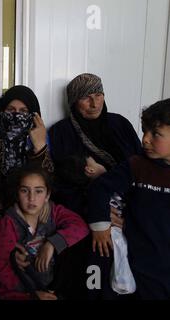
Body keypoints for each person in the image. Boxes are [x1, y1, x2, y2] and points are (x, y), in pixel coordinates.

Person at [48, 73, 142, 299]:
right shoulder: (61, 133)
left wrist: (128, 211)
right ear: (73, 102)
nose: (94, 103)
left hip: (128, 208)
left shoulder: (120, 125)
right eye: (86, 97)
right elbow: (60, 186)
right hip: (84, 210)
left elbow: (139, 169)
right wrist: (97, 214)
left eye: (99, 95)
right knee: (93, 257)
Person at [88, 99, 170, 299]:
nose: (145, 139)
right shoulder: (137, 165)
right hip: (138, 258)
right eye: (145, 131)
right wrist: (100, 226)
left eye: (155, 134)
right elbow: (99, 189)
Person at [0, 85, 53, 280]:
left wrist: (40, 146)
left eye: (24, 111)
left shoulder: (41, 136)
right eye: (11, 110)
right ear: (2, 112)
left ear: (35, 115)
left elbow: (47, 180)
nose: (17, 116)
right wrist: (6, 216)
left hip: (34, 201)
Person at [0, 165, 88, 300]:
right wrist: (31, 294)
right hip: (21, 292)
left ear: (47, 195)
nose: (32, 198)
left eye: (39, 191)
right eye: (25, 191)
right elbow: (1, 268)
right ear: (17, 193)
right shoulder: (9, 223)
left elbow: (80, 227)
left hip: (51, 287)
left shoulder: (53, 212)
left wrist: (52, 244)